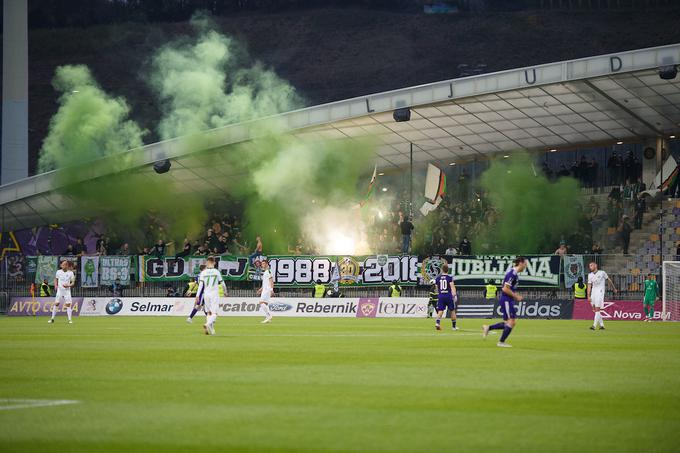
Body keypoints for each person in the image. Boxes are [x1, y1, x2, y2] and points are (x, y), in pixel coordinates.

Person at [482, 257, 527, 347]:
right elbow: (505, 288)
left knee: (510, 322)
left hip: (508, 299)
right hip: (506, 299)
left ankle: (488, 328)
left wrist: (514, 295)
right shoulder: (512, 273)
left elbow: (509, 288)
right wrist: (516, 296)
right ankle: (501, 342)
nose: (526, 266)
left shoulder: (514, 274)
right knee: (511, 321)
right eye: (525, 264)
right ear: (521, 263)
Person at [196, 257, 226, 335]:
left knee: (209, 312)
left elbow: (200, 285)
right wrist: (225, 291)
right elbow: (222, 284)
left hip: (206, 294)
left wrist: (197, 295)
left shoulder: (203, 272)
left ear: (207, 262)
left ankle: (212, 331)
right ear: (214, 263)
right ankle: (207, 324)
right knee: (214, 313)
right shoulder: (216, 272)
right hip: (214, 294)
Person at [587, 261, 618, 330]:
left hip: (600, 292)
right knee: (595, 309)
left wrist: (614, 288)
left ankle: (594, 326)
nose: (590, 267)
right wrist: (588, 296)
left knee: (597, 309)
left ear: (596, 265)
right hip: (593, 293)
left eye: (591, 265)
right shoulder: (590, 275)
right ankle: (602, 325)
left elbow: (609, 280)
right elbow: (589, 285)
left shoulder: (602, 273)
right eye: (589, 266)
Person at [434, 262, 458, 331]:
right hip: (448, 296)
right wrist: (454, 295)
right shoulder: (449, 278)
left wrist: (439, 293)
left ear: (442, 270)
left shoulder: (438, 278)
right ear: (448, 270)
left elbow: (436, 289)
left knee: (440, 311)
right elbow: (452, 287)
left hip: (441, 296)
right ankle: (453, 327)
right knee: (452, 311)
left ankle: (437, 323)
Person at [257, 260, 274, 324]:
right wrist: (261, 289)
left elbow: (271, 281)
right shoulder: (265, 272)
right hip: (265, 289)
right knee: (265, 304)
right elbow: (265, 282)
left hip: (267, 290)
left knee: (261, 302)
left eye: (263, 264)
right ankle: (268, 318)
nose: (262, 265)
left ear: (267, 264)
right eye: (262, 264)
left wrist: (271, 289)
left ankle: (269, 315)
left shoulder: (269, 271)